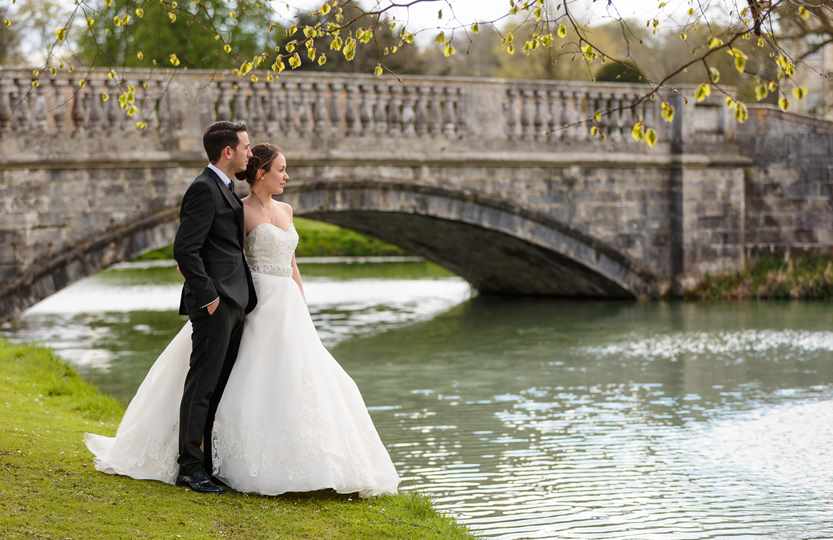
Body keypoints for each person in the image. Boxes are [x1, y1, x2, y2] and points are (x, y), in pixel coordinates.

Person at [84, 142, 400, 498]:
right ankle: (210, 460)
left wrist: (300, 299)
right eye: (281, 169)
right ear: (261, 173)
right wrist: (214, 296)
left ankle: (314, 463)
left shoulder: (287, 210)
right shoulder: (240, 210)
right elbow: (219, 255)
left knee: (305, 378)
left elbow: (291, 261)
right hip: (252, 301)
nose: (286, 176)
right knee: (242, 378)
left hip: (288, 305)